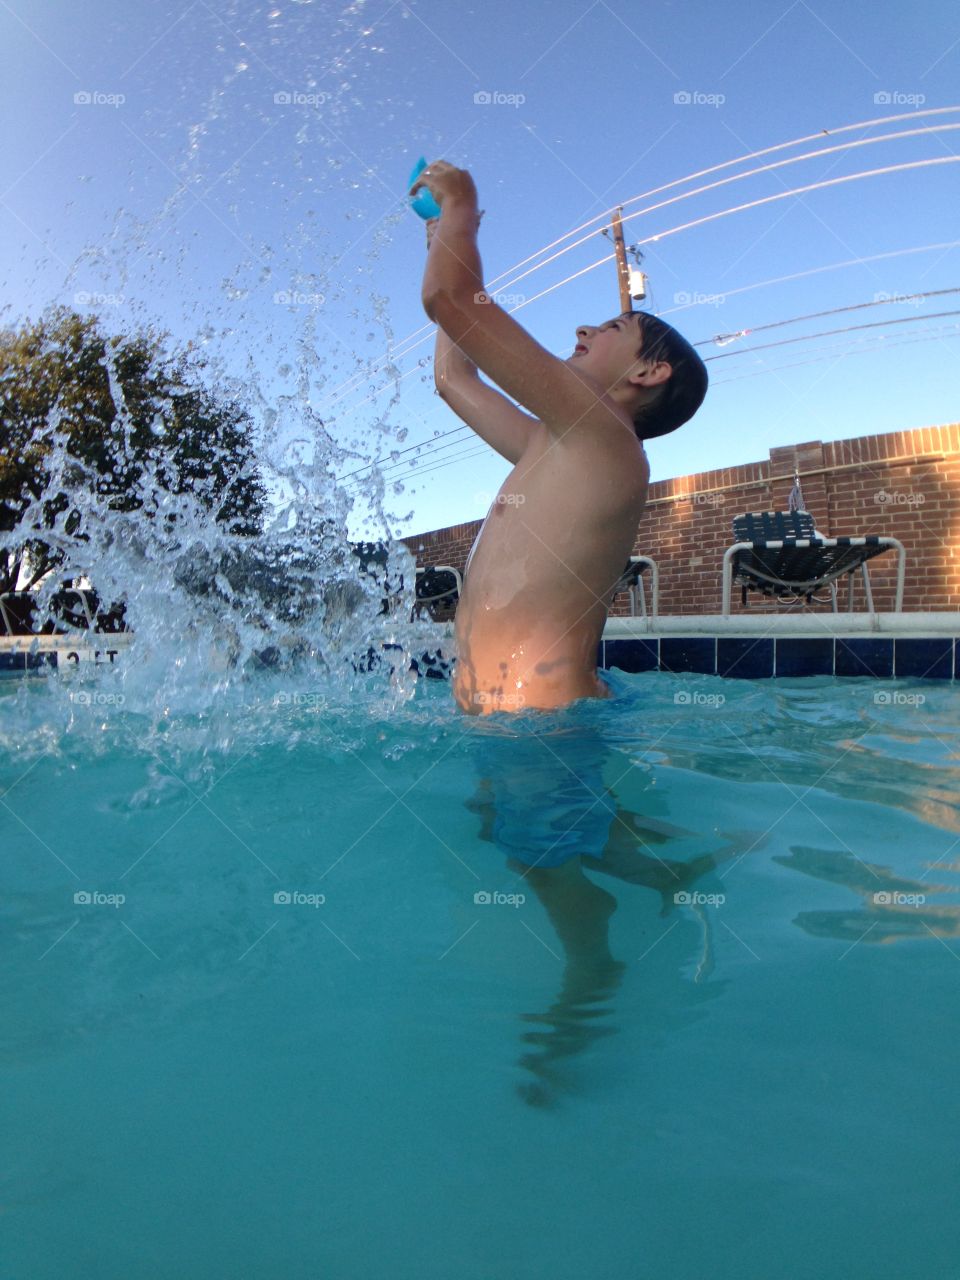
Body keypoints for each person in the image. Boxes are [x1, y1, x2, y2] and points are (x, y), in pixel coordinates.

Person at [411, 159, 708, 716]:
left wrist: (462, 209)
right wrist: (439, 243)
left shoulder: (607, 437)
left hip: (546, 728)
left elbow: (450, 298)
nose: (583, 329)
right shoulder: (555, 445)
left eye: (612, 328)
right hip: (505, 721)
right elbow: (453, 380)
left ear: (648, 373)